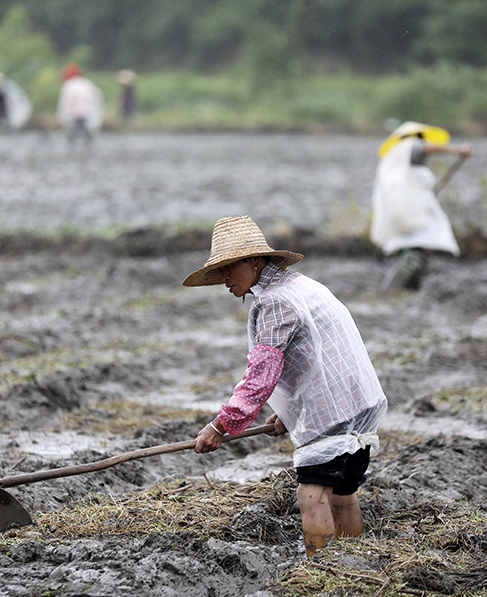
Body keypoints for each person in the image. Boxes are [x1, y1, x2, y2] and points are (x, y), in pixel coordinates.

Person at [186, 215, 388, 557]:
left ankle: (322, 572)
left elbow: (260, 376)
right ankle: (354, 570)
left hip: (333, 411)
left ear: (253, 260)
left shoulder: (274, 301)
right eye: (218, 271)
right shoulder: (301, 286)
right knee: (342, 495)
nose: (223, 278)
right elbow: (314, 354)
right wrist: (290, 413)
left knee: (311, 497)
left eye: (228, 268)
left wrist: (221, 426)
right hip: (359, 404)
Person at [369, 121, 472, 290]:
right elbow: (427, 148)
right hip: (411, 210)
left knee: (412, 247)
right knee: (414, 250)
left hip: (403, 209)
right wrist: (458, 150)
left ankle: (406, 287)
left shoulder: (395, 158)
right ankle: (395, 288)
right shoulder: (410, 144)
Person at [57, 62, 104, 150]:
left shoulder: (68, 85)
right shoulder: (87, 83)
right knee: (88, 139)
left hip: (75, 117)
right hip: (88, 115)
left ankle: (72, 153)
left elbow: (65, 104)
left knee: (71, 139)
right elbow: (98, 97)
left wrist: (63, 117)